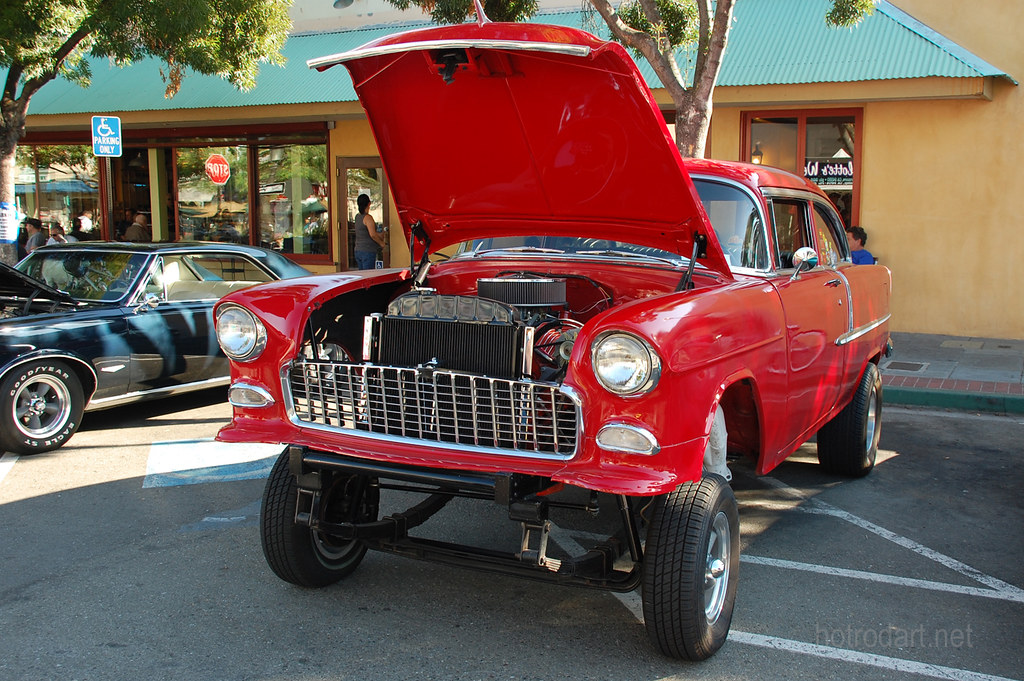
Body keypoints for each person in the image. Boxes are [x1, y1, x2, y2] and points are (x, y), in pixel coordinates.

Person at [353, 194, 387, 270]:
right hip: (367, 251)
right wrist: (381, 243)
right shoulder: (368, 218)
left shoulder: (357, 217)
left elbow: (366, 232)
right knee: (368, 276)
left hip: (358, 250)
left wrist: (380, 235)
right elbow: (372, 235)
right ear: (369, 204)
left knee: (362, 276)